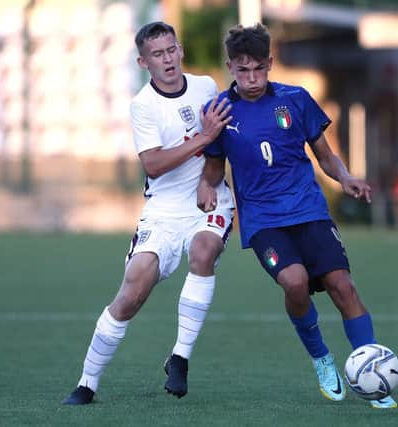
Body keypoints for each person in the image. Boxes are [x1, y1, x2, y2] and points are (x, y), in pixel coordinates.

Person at [197, 23, 397, 409]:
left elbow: (325, 157)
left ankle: (372, 374)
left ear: (270, 63)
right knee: (295, 282)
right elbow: (213, 169)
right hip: (263, 222)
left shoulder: (296, 99)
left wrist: (346, 178)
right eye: (243, 70)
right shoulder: (218, 112)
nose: (252, 78)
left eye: (259, 69)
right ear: (230, 67)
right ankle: (322, 358)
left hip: (308, 209)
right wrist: (206, 187)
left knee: (343, 286)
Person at [62, 21, 234, 405]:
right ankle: (87, 383)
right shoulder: (143, 106)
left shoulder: (207, 87)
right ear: (143, 62)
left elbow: (222, 144)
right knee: (132, 290)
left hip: (209, 202)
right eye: (157, 54)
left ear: (181, 51)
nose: (167, 58)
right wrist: (203, 138)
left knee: (203, 252)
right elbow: (153, 164)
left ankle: (180, 358)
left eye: (171, 49)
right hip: (162, 210)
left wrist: (210, 177)